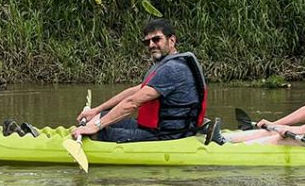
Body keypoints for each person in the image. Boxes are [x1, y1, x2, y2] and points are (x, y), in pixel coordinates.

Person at [71, 18, 207, 143]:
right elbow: (133, 92)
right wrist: (96, 110)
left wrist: (96, 127)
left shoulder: (173, 68)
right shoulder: (168, 64)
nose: (151, 45)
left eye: (156, 39)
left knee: (95, 135)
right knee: (101, 116)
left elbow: (132, 103)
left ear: (171, 41)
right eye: (147, 42)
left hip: (167, 135)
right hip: (154, 128)